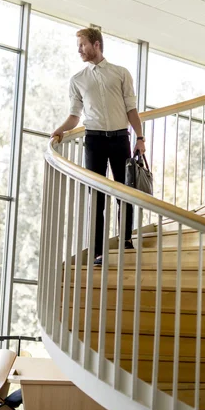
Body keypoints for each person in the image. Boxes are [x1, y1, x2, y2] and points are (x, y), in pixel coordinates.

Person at [52, 27, 145, 266]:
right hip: (94, 140)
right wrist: (61, 129)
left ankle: (125, 240)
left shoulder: (120, 73)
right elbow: (74, 116)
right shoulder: (77, 80)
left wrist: (140, 138)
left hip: (120, 138)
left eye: (83, 44)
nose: (79, 49)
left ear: (96, 44)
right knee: (97, 196)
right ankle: (97, 251)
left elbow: (131, 110)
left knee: (124, 191)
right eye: (78, 45)